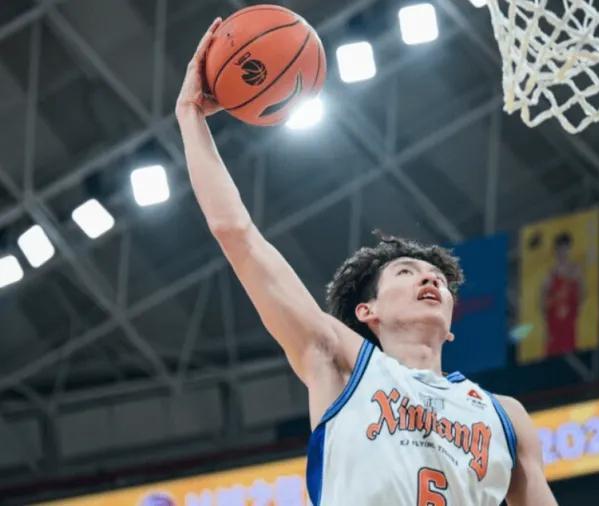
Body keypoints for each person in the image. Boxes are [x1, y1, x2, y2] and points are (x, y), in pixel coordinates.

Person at [175, 19, 558, 506]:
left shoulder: (506, 416)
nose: (429, 279)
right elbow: (238, 235)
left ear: (451, 322)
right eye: (407, 272)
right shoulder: (338, 362)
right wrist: (190, 116)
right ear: (366, 311)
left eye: (438, 279)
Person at [539, 233, 584, 356]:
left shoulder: (576, 270)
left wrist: (576, 307)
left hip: (569, 323)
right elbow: (542, 300)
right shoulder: (550, 275)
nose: (563, 252)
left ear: (569, 249)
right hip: (554, 324)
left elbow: (581, 293)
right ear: (556, 250)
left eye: (565, 249)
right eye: (560, 249)